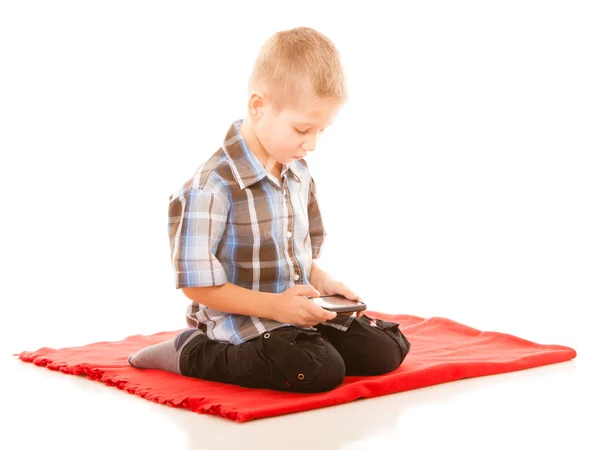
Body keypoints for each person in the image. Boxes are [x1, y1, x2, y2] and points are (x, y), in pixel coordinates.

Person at [128, 26, 411, 393]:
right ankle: (191, 352)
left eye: (321, 131)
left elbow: (292, 255)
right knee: (318, 370)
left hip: (293, 313)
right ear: (258, 106)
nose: (311, 144)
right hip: (241, 322)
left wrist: (324, 283)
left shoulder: (295, 170)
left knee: (385, 351)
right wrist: (275, 308)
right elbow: (197, 285)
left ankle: (306, 339)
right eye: (302, 129)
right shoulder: (211, 187)